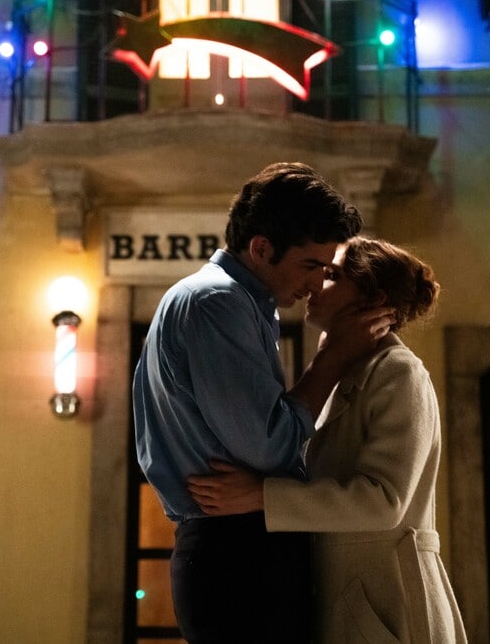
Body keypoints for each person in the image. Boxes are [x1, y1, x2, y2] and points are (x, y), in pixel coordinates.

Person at [133, 162, 394, 644]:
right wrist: (332, 357)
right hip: (238, 560)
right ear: (261, 248)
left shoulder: (231, 302)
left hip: (231, 553)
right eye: (311, 266)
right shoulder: (219, 302)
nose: (317, 284)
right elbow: (270, 446)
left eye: (327, 272)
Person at [188, 236, 468, 644]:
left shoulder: (400, 372)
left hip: (389, 605)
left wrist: (259, 496)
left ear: (374, 299)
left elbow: (384, 501)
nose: (316, 283)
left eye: (333, 275)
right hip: (349, 602)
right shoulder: (348, 371)